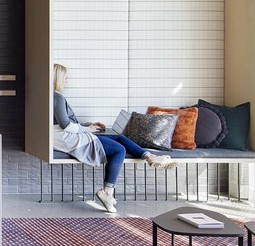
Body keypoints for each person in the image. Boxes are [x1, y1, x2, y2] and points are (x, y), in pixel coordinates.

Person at [53, 63, 176, 213]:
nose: (66, 81)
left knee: (118, 137)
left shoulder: (51, 97)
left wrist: (89, 125)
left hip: (68, 136)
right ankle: (107, 192)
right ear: (57, 78)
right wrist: (88, 129)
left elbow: (63, 123)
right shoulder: (56, 97)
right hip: (70, 139)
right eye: (65, 78)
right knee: (119, 150)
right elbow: (66, 126)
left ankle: (150, 157)